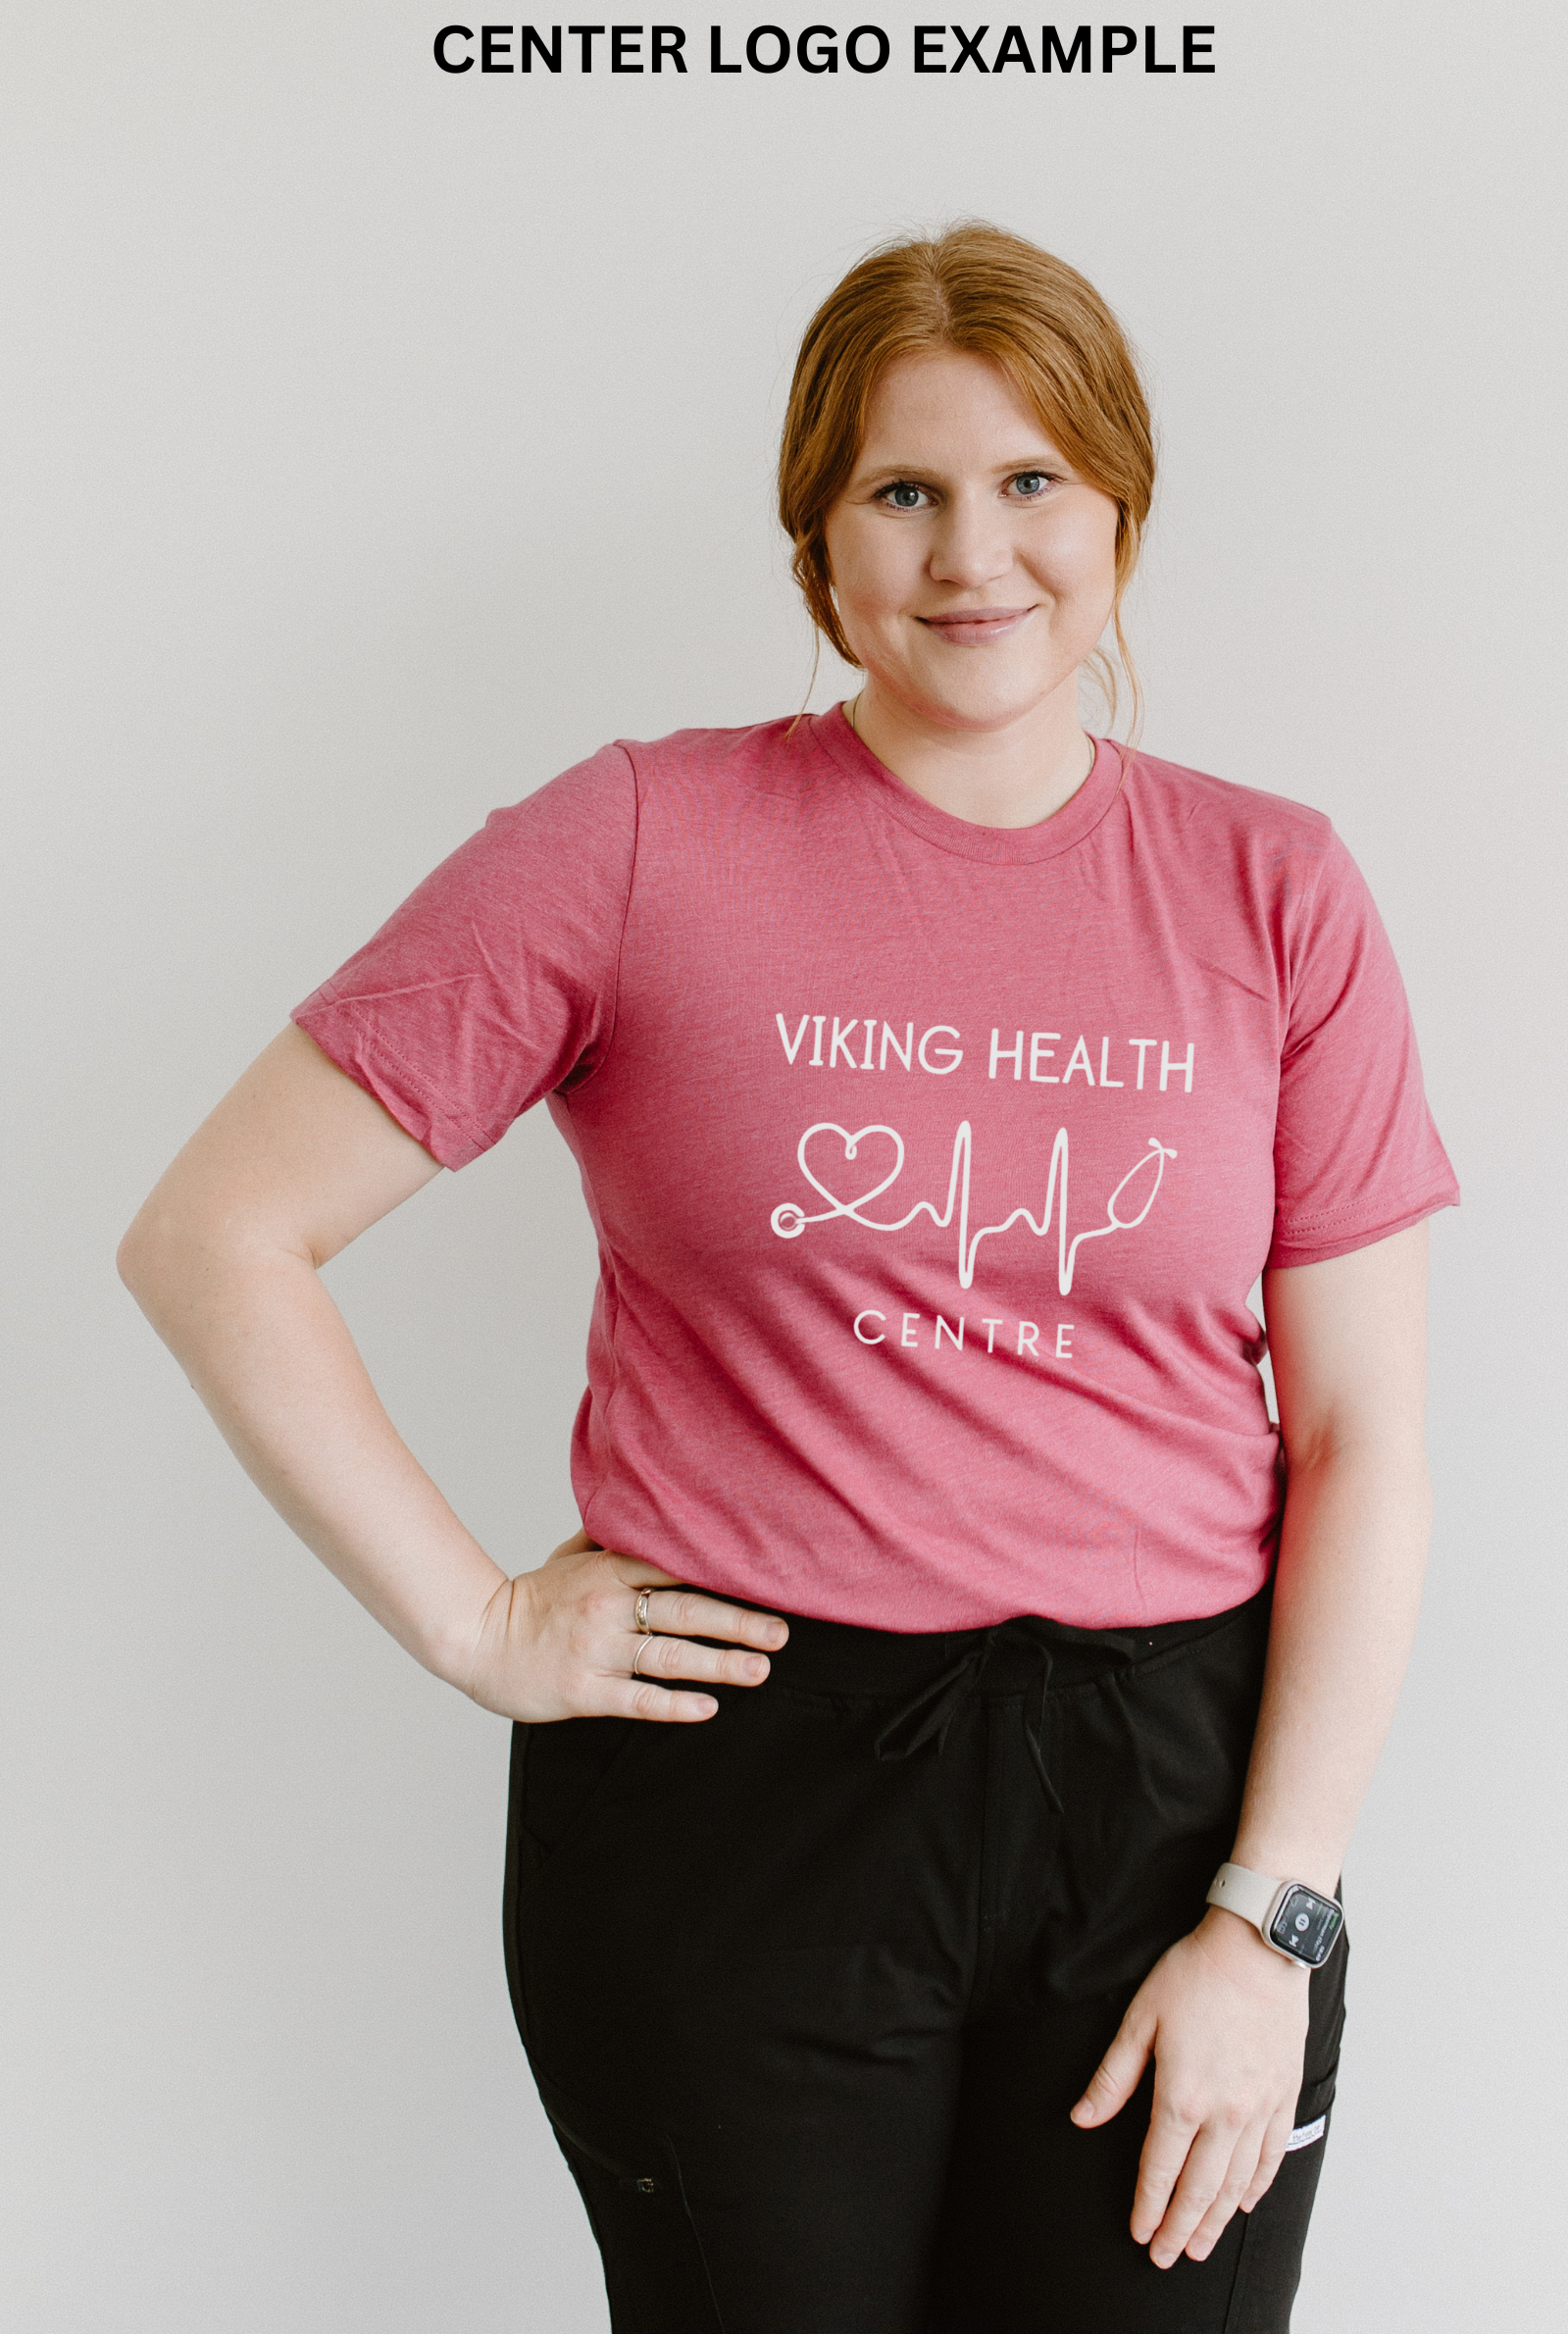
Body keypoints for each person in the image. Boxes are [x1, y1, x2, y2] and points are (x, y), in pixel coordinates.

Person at [118, 222, 1458, 2333]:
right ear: (817, 542)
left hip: (1171, 1810)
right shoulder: (639, 839)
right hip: (739, 1794)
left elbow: (1362, 1440)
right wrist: (475, 1619)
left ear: (1120, 511)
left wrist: (1269, 1915)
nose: (971, 552)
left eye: (1031, 481)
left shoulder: (1272, 885)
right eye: (901, 489)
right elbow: (216, 1232)